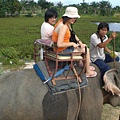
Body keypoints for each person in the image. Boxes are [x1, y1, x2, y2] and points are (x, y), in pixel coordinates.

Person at [52, 6, 97, 78]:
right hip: (61, 51)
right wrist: (72, 44)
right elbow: (59, 44)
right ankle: (87, 72)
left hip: (63, 48)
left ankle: (85, 65)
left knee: (83, 46)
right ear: (68, 17)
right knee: (86, 50)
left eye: (75, 18)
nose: (74, 19)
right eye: (72, 17)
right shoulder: (63, 27)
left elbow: (73, 34)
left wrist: (80, 42)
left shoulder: (64, 23)